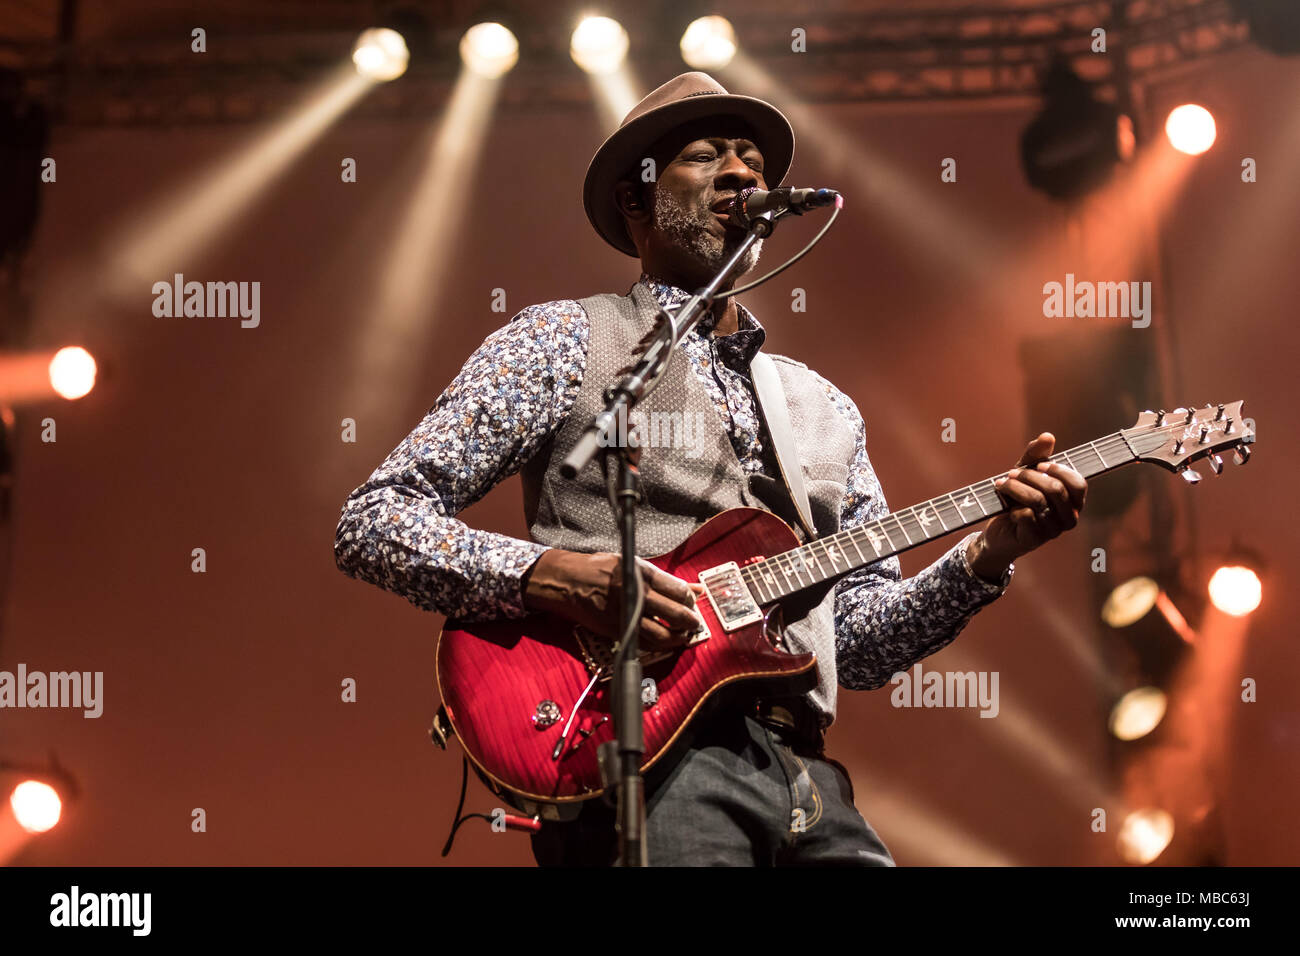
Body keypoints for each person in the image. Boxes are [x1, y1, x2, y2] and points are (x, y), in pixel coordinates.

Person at [334, 72, 1088, 866]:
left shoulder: (824, 410)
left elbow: (860, 645)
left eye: (754, 163)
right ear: (638, 200)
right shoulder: (563, 341)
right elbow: (376, 521)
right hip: (641, 758)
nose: (742, 174)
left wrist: (988, 552)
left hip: (809, 778)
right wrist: (557, 575)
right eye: (705, 156)